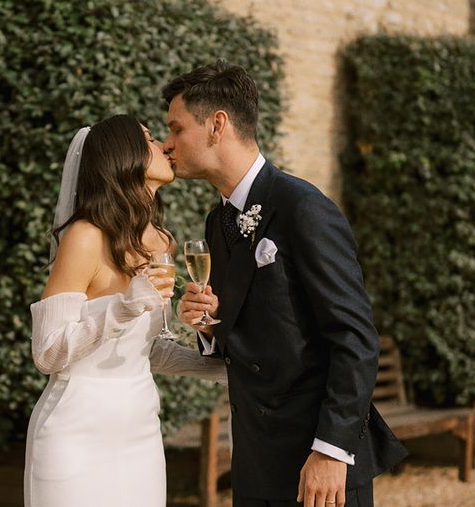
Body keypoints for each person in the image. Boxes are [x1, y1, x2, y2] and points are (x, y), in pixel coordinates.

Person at [162, 62, 407, 507]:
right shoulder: (217, 222)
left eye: (176, 129)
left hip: (318, 463)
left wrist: (332, 451)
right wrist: (209, 324)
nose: (167, 144)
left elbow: (355, 339)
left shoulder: (303, 209)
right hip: (255, 458)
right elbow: (256, 334)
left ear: (217, 125)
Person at [24, 114, 226, 507]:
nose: (164, 146)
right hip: (74, 432)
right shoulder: (85, 237)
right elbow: (47, 352)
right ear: (124, 156)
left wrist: (228, 371)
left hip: (140, 433)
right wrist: (125, 304)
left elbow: (146, 350)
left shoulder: (162, 243)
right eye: (150, 139)